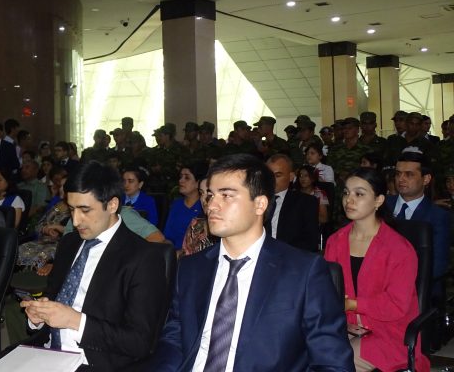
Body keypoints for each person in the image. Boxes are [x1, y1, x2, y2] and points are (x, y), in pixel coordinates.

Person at [148, 154, 353, 371]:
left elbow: (332, 362)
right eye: (210, 195)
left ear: (260, 204)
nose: (211, 205)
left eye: (226, 195)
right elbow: (175, 337)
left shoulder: (303, 273)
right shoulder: (191, 268)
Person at [20, 161, 169, 370]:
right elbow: (53, 296)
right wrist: (40, 316)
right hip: (48, 353)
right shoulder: (69, 243)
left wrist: (75, 321)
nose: (76, 220)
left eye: (85, 210)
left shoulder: (143, 257)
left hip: (94, 362)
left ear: (112, 205)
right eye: (72, 209)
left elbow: (140, 342)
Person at [325, 168, 429, 372]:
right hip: (345, 326)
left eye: (359, 194)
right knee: (301, 348)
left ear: (378, 200)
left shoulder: (399, 248)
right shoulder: (335, 241)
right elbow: (326, 288)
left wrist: (353, 304)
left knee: (336, 358)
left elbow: (396, 305)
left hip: (388, 332)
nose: (349, 200)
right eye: (346, 192)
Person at [384, 152, 450, 281]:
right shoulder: (380, 205)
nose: (401, 179)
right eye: (398, 174)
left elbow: (437, 265)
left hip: (418, 287)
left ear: (426, 179)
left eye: (409, 174)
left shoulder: (438, 216)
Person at [265, 154, 320, 252]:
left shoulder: (306, 202)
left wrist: (283, 253)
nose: (271, 180)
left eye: (277, 175)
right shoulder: (255, 201)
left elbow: (311, 241)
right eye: (268, 175)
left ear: (291, 177)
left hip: (290, 255)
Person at [163, 163, 206, 251]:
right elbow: (168, 237)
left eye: (187, 178)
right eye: (181, 177)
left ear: (198, 183)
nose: (181, 181)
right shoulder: (176, 205)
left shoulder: (204, 206)